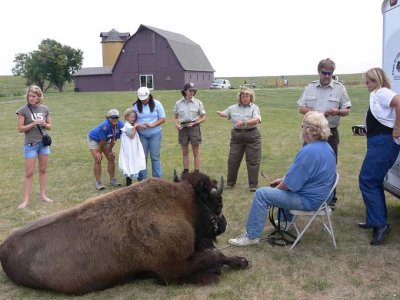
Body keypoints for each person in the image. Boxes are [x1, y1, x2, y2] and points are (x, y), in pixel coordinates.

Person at [229, 111, 336, 246]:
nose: (301, 128)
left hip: (311, 201)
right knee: (280, 187)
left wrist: (276, 192)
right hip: (324, 198)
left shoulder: (309, 151)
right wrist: (283, 180)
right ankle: (285, 222)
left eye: (302, 125)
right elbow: (302, 175)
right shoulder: (325, 147)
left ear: (308, 130)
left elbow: (289, 186)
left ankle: (251, 236)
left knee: (262, 194)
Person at [297, 58, 351, 209]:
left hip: (330, 133)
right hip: (310, 132)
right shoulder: (310, 87)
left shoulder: (340, 88)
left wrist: (338, 111)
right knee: (306, 163)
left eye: (330, 73)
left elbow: (347, 110)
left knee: (330, 166)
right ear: (319, 71)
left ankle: (330, 199)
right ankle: (305, 194)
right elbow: (301, 108)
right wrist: (316, 112)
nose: (327, 76)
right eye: (325, 73)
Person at [357, 67, 400, 246]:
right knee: (374, 181)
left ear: (379, 80)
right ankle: (375, 220)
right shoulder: (378, 93)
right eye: (367, 82)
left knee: (367, 180)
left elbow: (399, 102)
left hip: (383, 143)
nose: (368, 85)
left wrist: (398, 128)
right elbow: (382, 118)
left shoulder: (382, 92)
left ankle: (380, 224)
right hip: (378, 141)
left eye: (371, 81)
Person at [217, 86, 262, 192]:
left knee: (253, 161)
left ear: (251, 97)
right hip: (237, 136)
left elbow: (256, 119)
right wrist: (221, 113)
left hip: (252, 136)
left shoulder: (254, 108)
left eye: (247, 96)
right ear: (239, 97)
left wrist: (245, 122)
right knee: (233, 160)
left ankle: (253, 185)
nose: (245, 98)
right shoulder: (233, 108)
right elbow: (225, 113)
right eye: (243, 96)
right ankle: (230, 183)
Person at [16, 85, 53, 209]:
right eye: (29, 96)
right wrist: (32, 123)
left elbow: (49, 126)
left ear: (39, 97)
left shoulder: (45, 109)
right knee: (29, 173)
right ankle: (25, 200)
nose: (31, 98)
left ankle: (43, 196)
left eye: (33, 96)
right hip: (30, 145)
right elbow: (20, 129)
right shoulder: (23, 110)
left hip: (43, 145)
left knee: (43, 171)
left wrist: (44, 124)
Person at [133, 87, 166, 179]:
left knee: (155, 157)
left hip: (155, 133)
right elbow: (132, 120)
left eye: (145, 99)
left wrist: (152, 125)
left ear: (149, 96)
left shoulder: (157, 104)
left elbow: (163, 119)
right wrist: (138, 126)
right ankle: (142, 179)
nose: (144, 101)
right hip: (142, 135)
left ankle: (157, 179)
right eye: (142, 99)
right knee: (143, 157)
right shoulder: (135, 106)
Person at [173, 83, 206, 174]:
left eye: (193, 90)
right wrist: (177, 125)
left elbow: (203, 117)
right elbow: (175, 117)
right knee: (185, 151)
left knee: (196, 151)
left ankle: (197, 172)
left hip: (194, 127)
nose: (192, 92)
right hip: (183, 127)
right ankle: (186, 171)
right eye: (190, 90)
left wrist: (195, 123)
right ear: (185, 91)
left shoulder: (198, 103)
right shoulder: (178, 103)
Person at [88, 109, 124, 190]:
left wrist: (111, 150)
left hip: (106, 140)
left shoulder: (120, 124)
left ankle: (112, 180)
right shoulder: (105, 125)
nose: (114, 119)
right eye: (112, 118)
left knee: (111, 157)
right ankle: (98, 182)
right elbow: (102, 141)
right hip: (94, 138)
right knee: (98, 159)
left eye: (116, 117)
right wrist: (99, 153)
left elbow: (114, 138)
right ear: (108, 118)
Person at [118, 108, 146, 186]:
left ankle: (129, 181)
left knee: (131, 161)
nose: (133, 119)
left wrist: (137, 126)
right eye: (132, 117)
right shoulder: (127, 126)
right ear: (126, 117)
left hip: (131, 147)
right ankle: (129, 182)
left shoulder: (129, 125)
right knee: (129, 161)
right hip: (129, 148)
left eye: (134, 117)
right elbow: (131, 135)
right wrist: (135, 127)